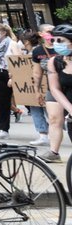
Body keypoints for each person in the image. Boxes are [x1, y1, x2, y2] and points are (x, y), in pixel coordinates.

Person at [41, 24, 72, 163]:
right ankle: (54, 152)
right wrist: (70, 109)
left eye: (60, 41)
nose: (55, 44)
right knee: (54, 118)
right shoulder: (55, 61)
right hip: (60, 89)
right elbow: (54, 88)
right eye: (54, 40)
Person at [0, 23, 23, 140]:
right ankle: (3, 129)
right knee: (2, 102)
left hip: (11, 73)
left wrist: (13, 77)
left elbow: (18, 61)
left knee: (28, 101)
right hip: (0, 72)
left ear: (4, 32)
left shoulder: (12, 44)